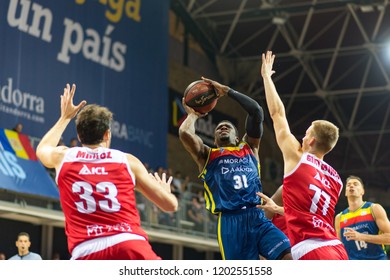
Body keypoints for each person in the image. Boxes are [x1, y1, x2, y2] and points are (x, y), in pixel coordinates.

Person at [36, 83, 178, 260]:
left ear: (79, 136)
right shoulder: (127, 161)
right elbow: (170, 206)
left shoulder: (63, 157)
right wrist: (164, 191)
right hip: (129, 245)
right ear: (107, 134)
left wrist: (65, 117)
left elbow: (42, 149)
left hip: (86, 252)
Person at [179, 77, 291, 260]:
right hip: (231, 222)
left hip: (258, 216)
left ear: (238, 136)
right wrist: (193, 114)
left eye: (228, 127)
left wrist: (228, 91)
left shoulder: (250, 148)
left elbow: (256, 111)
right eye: (218, 129)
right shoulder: (207, 156)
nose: (223, 128)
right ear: (215, 140)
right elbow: (184, 133)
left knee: (289, 258)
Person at [260, 50, 348, 260]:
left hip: (311, 250)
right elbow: (310, 214)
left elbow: (277, 114)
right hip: (338, 249)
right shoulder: (337, 180)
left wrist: (266, 77)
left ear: (311, 141)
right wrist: (279, 209)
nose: (302, 137)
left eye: (306, 133)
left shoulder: (297, 158)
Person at [335, 175, 390, 260]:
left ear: (362, 191)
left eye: (355, 184)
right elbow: (340, 247)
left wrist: (361, 236)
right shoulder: (339, 217)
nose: (351, 186)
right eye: (348, 185)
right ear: (345, 192)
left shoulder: (374, 208)